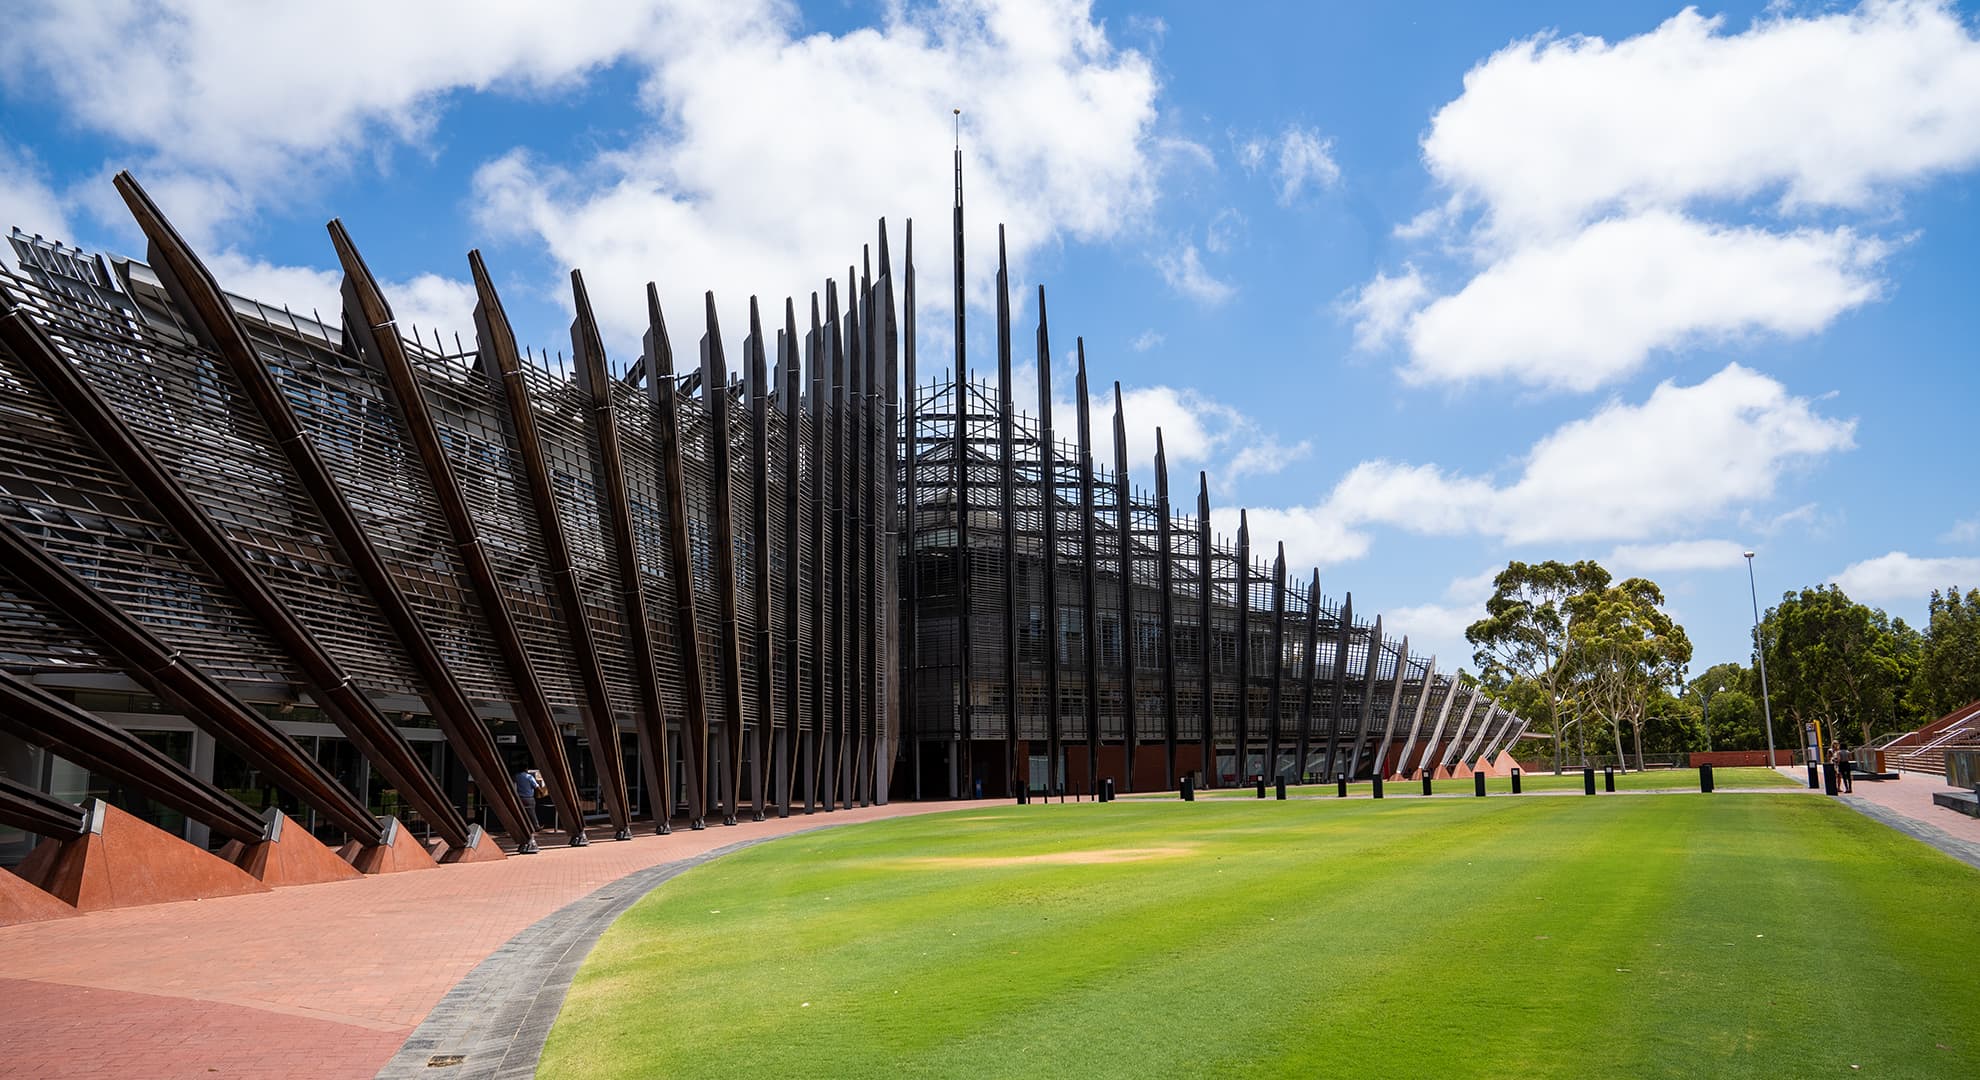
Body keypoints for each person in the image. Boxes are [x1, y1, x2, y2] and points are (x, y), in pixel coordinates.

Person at [513, 766, 540, 832]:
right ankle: (536, 827)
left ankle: (522, 827)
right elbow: (536, 786)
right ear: (526, 769)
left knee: (521, 813)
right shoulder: (529, 777)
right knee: (532, 813)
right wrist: (542, 792)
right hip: (529, 797)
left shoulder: (516, 776)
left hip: (520, 798)